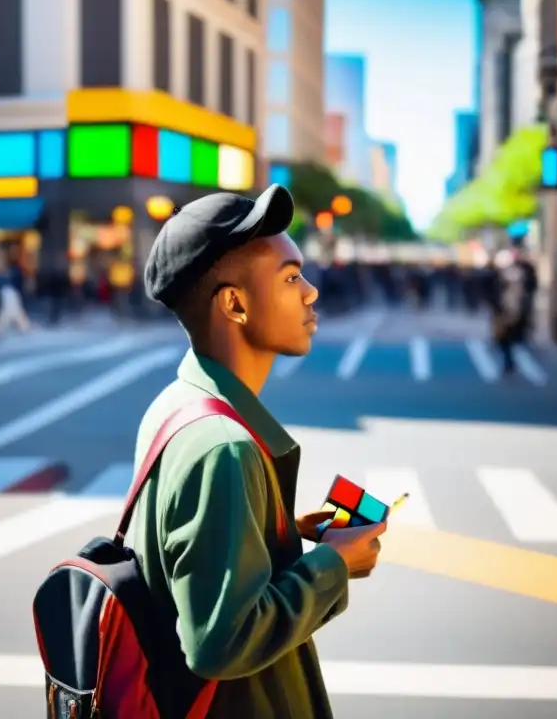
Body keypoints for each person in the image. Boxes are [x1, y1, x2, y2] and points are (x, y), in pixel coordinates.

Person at [131, 184, 387, 718]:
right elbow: (220, 641)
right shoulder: (223, 447)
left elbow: (184, 560)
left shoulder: (178, 403)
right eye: (292, 278)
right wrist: (333, 564)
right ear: (235, 304)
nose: (311, 292)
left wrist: (277, 533)